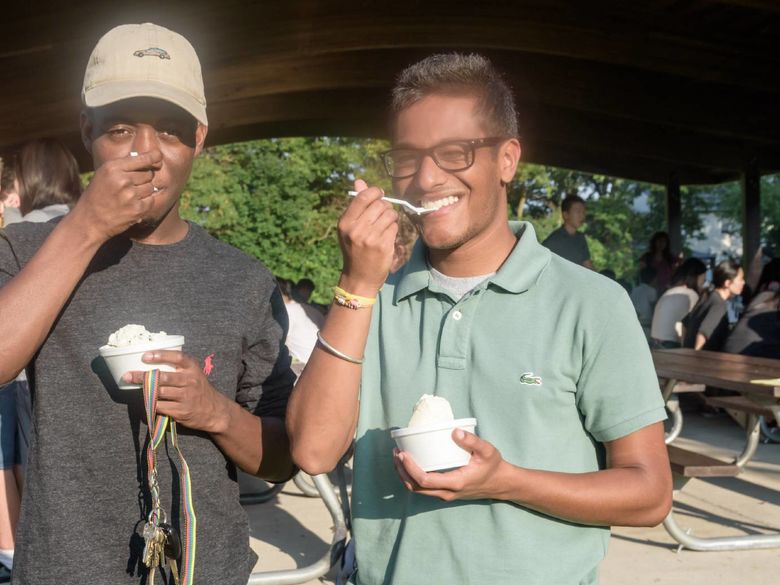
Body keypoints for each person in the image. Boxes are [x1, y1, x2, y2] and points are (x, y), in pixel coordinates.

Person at [288, 53, 671, 585]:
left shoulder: (592, 303)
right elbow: (312, 450)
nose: (425, 178)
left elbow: (649, 493)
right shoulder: (371, 302)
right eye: (407, 157)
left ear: (507, 159)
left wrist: (506, 480)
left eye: (454, 152)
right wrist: (356, 284)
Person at [0, 23, 295, 585]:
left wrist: (214, 412)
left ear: (200, 138)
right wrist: (85, 226)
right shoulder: (29, 250)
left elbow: (282, 457)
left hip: (205, 570)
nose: (147, 153)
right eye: (120, 129)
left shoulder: (242, 280)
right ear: (86, 131)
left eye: (170, 130)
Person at [0, 139, 83, 576]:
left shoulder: (19, 238)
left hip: (28, 380)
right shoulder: (97, 229)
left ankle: (18, 556)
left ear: (28, 180)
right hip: (87, 376)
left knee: (25, 468)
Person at [682, 260, 745, 351]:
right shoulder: (719, 304)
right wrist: (695, 357)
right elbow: (703, 334)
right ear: (727, 283)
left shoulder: (707, 296)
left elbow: (685, 324)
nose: (743, 282)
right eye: (740, 279)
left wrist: (685, 349)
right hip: (702, 360)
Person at [723, 259, 780, 358]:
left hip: (727, 358)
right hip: (753, 363)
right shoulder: (772, 300)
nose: (743, 282)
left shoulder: (759, 299)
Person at [650, 258, 707, 348]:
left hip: (654, 344)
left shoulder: (671, 291)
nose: (704, 283)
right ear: (696, 277)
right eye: (703, 278)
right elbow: (694, 326)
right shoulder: (690, 295)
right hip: (670, 346)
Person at [277, 277, 324, 373]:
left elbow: (275, 344)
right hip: (320, 365)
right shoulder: (311, 310)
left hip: (300, 369)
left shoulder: (286, 311)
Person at [542, 194, 593, 268]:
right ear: (565, 215)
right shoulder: (554, 240)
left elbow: (588, 267)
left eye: (583, 212)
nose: (582, 216)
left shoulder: (580, 238)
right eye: (578, 212)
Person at [630, 265, 658, 339]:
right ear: (654, 279)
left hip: (634, 322)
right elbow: (653, 308)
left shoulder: (634, 290)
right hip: (646, 324)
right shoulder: (652, 291)